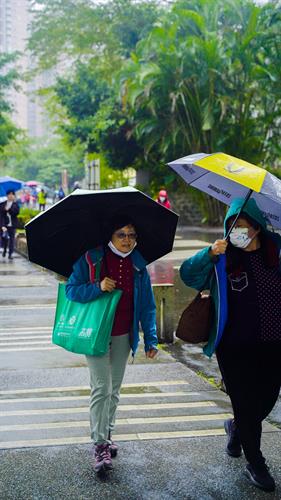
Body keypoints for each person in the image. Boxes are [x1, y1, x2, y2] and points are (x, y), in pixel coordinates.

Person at [179, 198, 281, 493]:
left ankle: (237, 429)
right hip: (234, 346)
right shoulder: (223, 257)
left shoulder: (275, 254)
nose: (236, 231)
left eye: (243, 226)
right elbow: (188, 275)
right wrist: (208, 254)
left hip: (273, 344)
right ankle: (256, 462)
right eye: (231, 226)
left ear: (257, 228)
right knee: (245, 402)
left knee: (266, 400)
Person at [66, 215, 158, 474]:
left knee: (114, 389)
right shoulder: (92, 258)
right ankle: (98, 444)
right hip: (94, 333)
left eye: (132, 235)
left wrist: (151, 338)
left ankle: (107, 435)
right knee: (101, 387)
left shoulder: (139, 265)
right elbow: (71, 290)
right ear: (110, 236)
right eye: (122, 234)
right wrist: (97, 286)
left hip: (122, 334)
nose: (127, 240)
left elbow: (148, 307)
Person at [0, 190, 20, 259]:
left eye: (12, 194)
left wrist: (8, 209)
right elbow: (1, 216)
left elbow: (16, 213)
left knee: (12, 240)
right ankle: (5, 250)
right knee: (4, 239)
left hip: (12, 225)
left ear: (14, 196)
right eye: (9, 194)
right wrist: (2, 226)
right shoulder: (2, 204)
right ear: (7, 195)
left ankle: (10, 254)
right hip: (4, 225)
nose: (11, 195)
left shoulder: (16, 204)